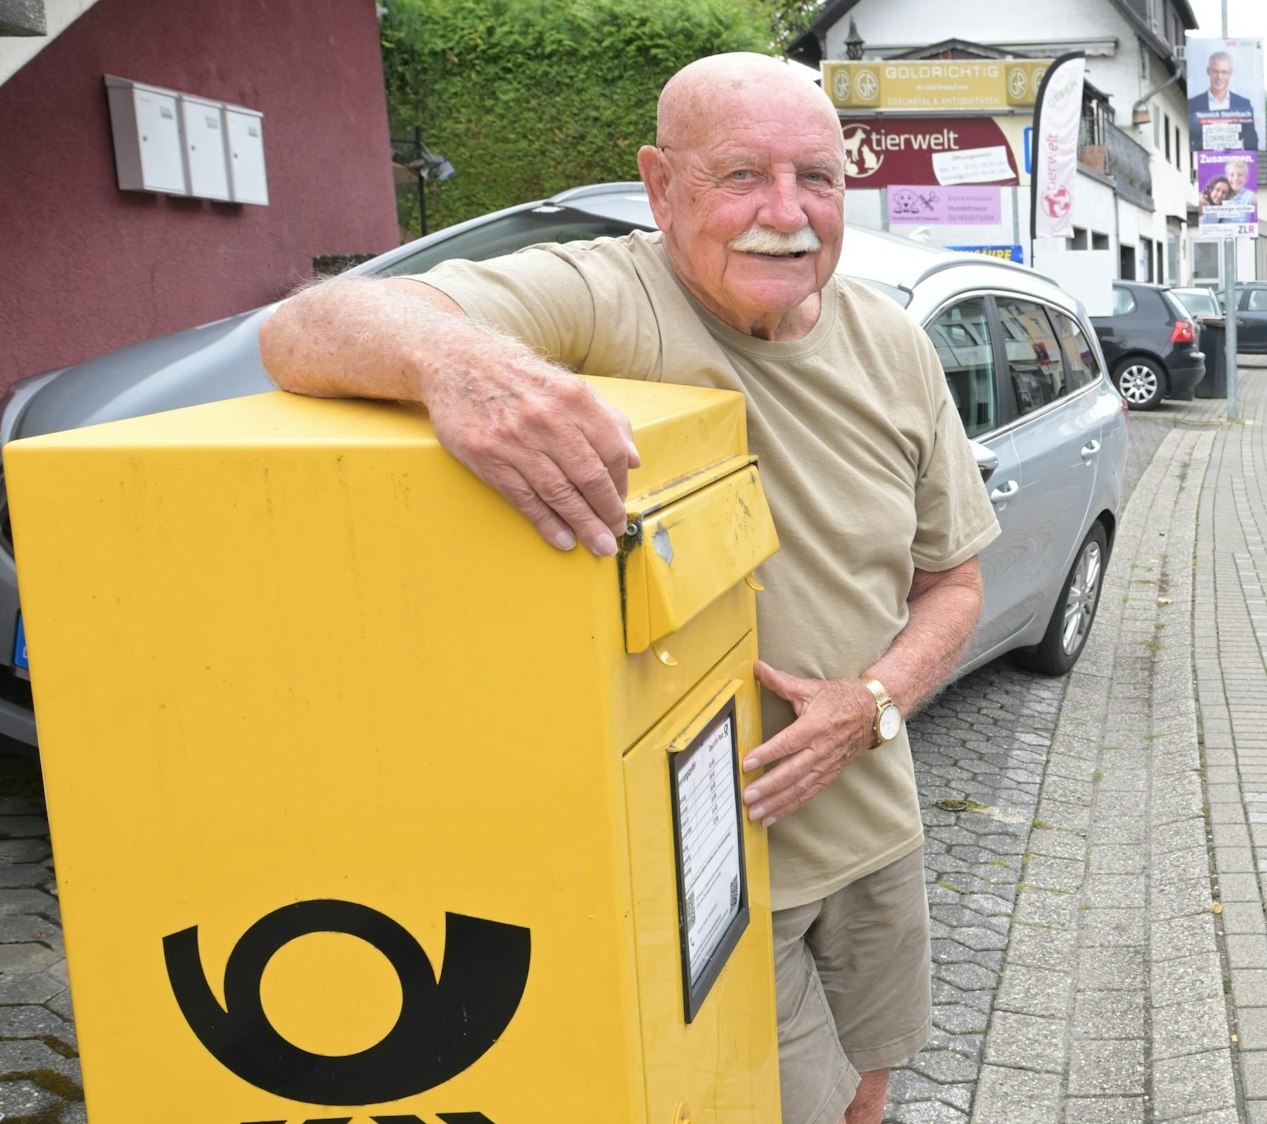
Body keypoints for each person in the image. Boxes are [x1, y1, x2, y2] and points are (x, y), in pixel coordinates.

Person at [258, 52, 999, 1124]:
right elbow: (302, 329)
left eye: (819, 179)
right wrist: (463, 369)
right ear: (660, 186)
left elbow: (954, 583)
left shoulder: (891, 340)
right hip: (711, 879)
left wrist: (868, 704)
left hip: (875, 823)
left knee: (868, 1094)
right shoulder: (608, 297)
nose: (785, 214)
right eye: (740, 175)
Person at [1193, 49, 1260, 151]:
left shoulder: (1243, 104)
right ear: (1208, 71)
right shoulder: (1194, 104)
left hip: (1234, 164)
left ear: (1231, 73)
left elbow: (1251, 143)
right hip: (1205, 163)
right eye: (1215, 71)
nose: (1219, 77)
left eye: (1224, 72)